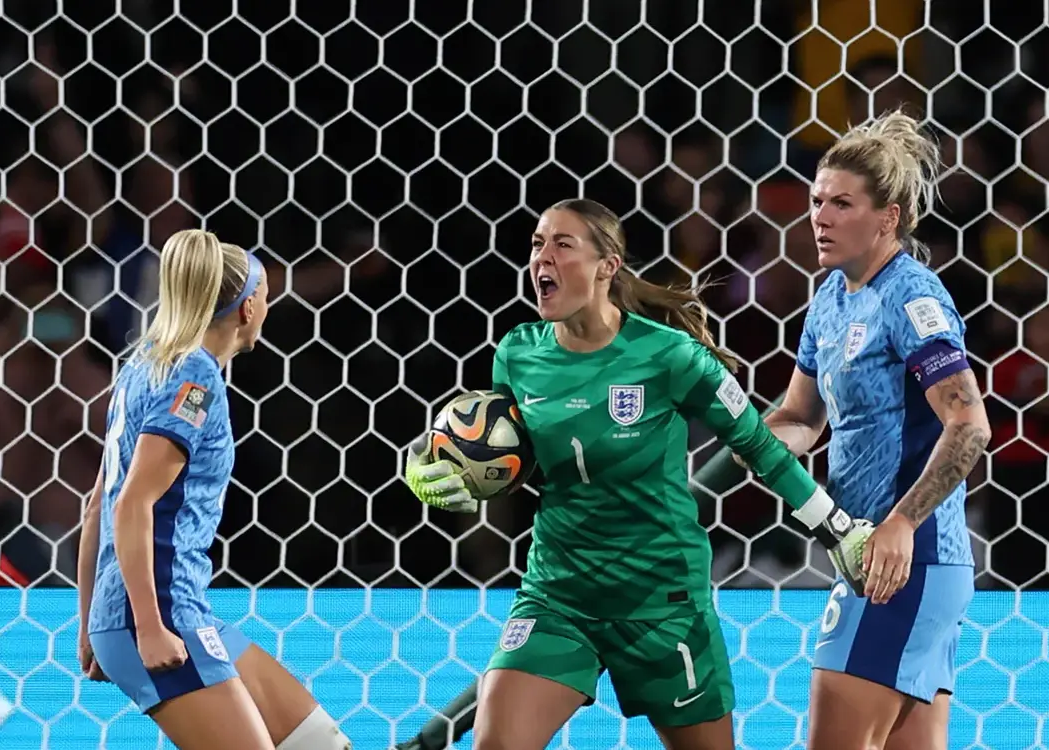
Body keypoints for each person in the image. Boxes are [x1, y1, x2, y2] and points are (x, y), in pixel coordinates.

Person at [404, 198, 874, 750]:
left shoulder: (670, 356)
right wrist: (423, 462)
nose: (542, 258)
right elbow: (495, 446)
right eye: (536, 244)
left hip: (660, 601)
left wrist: (836, 528)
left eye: (562, 244)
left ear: (608, 266)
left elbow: (759, 446)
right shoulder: (517, 352)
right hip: (560, 595)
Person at [75, 229, 352, 750]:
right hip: (159, 613)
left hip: (164, 611)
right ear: (248, 307)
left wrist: (92, 624)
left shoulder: (144, 365)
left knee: (322, 745)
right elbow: (132, 502)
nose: (268, 305)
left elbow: (97, 505)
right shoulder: (194, 382)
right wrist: (148, 626)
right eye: (266, 293)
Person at [767, 109, 990, 749]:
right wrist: (743, 434)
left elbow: (968, 426)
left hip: (905, 560)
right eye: (816, 201)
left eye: (842, 203)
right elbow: (800, 420)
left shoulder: (911, 296)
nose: (820, 217)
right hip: (872, 557)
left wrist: (901, 524)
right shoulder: (830, 298)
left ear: (887, 217)